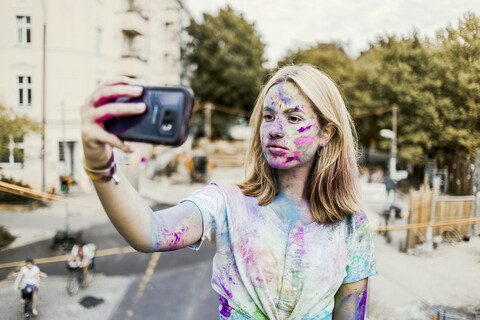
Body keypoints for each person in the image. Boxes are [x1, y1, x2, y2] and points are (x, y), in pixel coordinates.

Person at [81, 64, 377, 319]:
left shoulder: (352, 227)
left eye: (294, 118)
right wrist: (100, 165)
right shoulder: (225, 203)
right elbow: (150, 232)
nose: (275, 129)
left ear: (326, 133)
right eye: (269, 116)